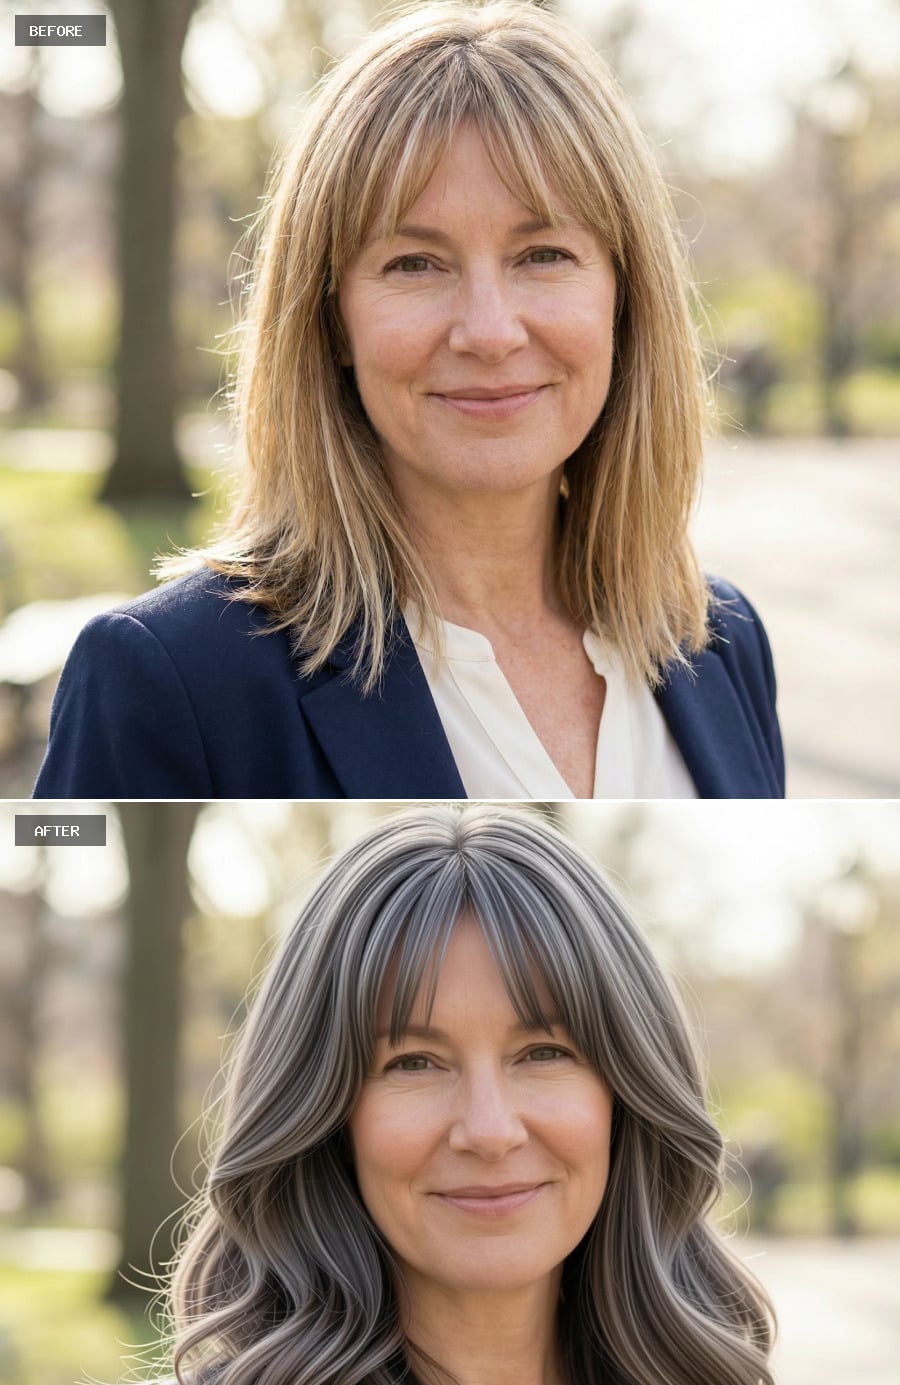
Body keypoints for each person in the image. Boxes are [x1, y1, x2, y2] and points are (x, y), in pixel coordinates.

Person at [37, 806, 814, 1385]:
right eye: (413, 1062)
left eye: (543, 1052)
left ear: (627, 1094)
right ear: (325, 1110)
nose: (489, 1129)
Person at [33, 1, 783, 801]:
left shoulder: (721, 640)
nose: (490, 332)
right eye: (415, 264)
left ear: (625, 299)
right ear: (330, 318)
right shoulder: (168, 678)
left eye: (544, 254)